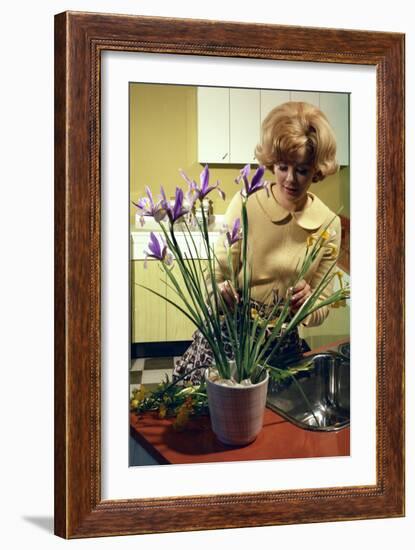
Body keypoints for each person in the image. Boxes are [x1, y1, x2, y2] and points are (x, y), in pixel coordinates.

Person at [172, 101, 342, 384]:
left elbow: (322, 306)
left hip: (280, 347)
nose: (290, 179)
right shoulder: (246, 204)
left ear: (317, 169)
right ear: (271, 162)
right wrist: (220, 294)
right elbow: (214, 275)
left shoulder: (328, 224)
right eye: (282, 166)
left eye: (301, 170)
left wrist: (309, 303)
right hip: (228, 341)